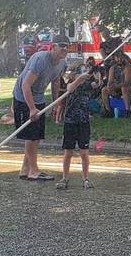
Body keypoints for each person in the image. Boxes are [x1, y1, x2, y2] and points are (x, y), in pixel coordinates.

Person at [13, 35, 69, 181]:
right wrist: (31, 108)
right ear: (53, 47)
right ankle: (33, 170)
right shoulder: (40, 60)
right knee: (31, 136)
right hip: (23, 97)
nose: (64, 48)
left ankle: (25, 169)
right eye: (61, 45)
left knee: (36, 136)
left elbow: (56, 82)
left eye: (67, 46)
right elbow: (25, 85)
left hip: (38, 97)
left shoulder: (62, 63)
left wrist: (56, 104)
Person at [56, 66, 102, 190]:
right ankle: (64, 178)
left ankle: (85, 178)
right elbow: (70, 89)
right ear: (74, 75)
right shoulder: (71, 84)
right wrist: (80, 78)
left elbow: (96, 85)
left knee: (84, 152)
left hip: (84, 122)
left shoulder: (86, 86)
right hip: (70, 122)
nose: (84, 75)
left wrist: (98, 77)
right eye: (81, 72)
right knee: (68, 152)